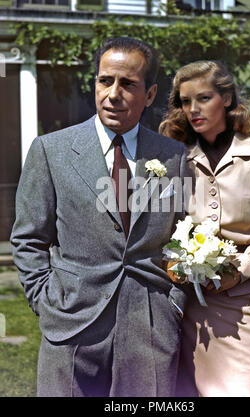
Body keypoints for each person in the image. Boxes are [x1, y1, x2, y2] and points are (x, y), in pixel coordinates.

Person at [10, 37, 188, 397]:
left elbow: (182, 238)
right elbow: (28, 239)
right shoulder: (50, 150)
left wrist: (173, 305)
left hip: (149, 327)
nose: (113, 94)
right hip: (71, 323)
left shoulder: (174, 156)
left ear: (150, 94)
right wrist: (46, 301)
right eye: (105, 81)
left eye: (128, 84)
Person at [159, 60, 250, 397]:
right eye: (185, 101)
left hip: (241, 308)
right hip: (182, 307)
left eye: (203, 98)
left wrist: (244, 268)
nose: (193, 109)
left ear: (226, 98)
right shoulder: (173, 160)